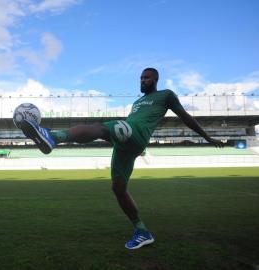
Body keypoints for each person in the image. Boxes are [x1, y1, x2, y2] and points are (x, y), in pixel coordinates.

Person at [19, 68, 224, 249]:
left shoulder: (166, 95)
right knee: (118, 188)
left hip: (137, 133)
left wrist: (206, 137)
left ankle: (53, 137)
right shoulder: (137, 102)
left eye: (147, 78)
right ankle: (142, 231)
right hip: (126, 143)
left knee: (99, 127)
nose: (142, 80)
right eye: (141, 78)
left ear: (155, 80)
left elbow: (185, 116)